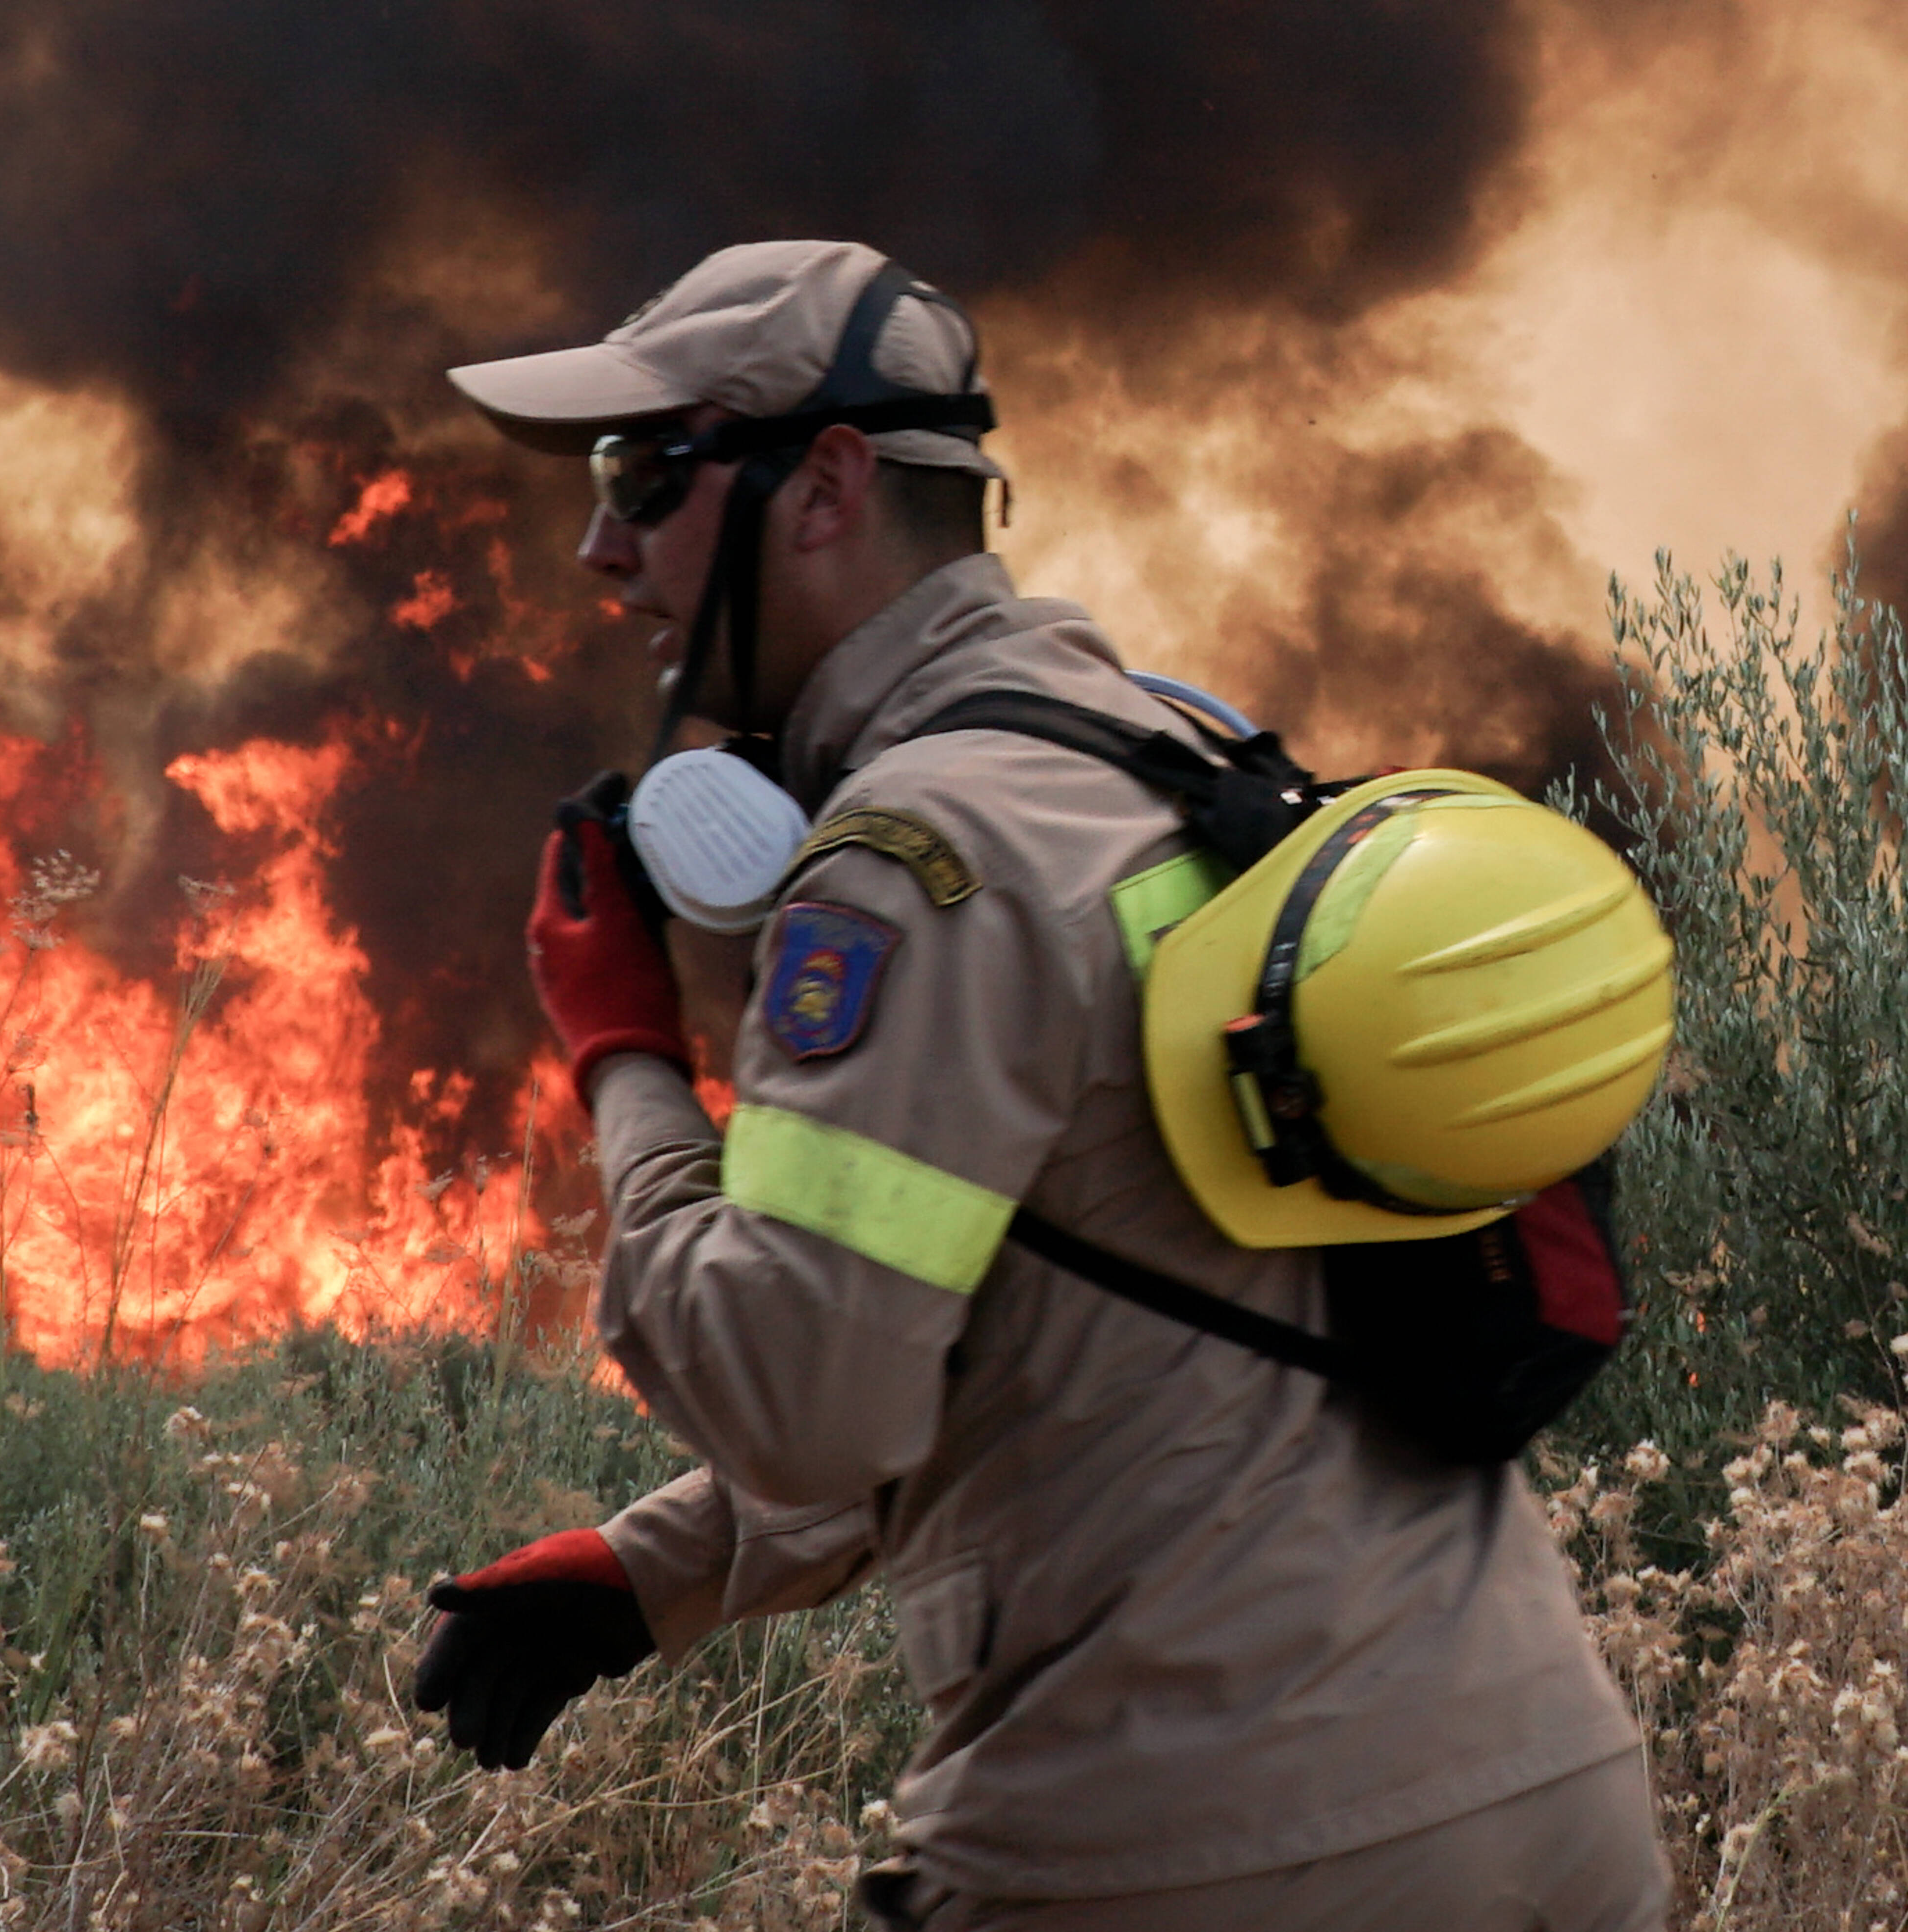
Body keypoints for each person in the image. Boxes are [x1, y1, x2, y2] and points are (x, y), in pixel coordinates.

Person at [412, 240, 1670, 1932]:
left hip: (1187, 1845)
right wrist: (660, 1571)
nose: (601, 540)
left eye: (647, 470)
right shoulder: (1164, 756)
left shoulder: (912, 859)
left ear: (825, 485)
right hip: (1534, 1807)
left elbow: (808, 1397)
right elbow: (1099, 1324)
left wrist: (623, 1052)